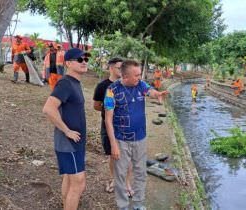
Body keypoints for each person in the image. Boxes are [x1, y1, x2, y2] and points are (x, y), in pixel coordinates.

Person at [104, 59, 168, 210]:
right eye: (136, 75)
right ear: (125, 76)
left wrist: (157, 93)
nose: (140, 78)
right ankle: (123, 206)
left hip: (140, 138)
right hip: (121, 140)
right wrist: (113, 144)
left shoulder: (140, 84)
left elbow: (149, 91)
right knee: (120, 175)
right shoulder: (111, 90)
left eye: (140, 74)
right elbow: (108, 119)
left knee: (140, 173)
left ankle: (138, 204)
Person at [42, 48, 90, 210]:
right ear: (68, 63)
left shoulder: (75, 83)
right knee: (79, 183)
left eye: (86, 59)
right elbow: (49, 108)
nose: (84, 62)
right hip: (68, 143)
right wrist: (67, 130)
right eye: (80, 60)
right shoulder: (65, 83)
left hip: (76, 142)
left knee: (70, 179)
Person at [93, 57, 133, 195]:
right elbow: (97, 106)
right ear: (110, 68)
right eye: (118, 68)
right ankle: (115, 180)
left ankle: (127, 183)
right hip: (108, 126)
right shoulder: (102, 86)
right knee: (112, 155)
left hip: (126, 126)